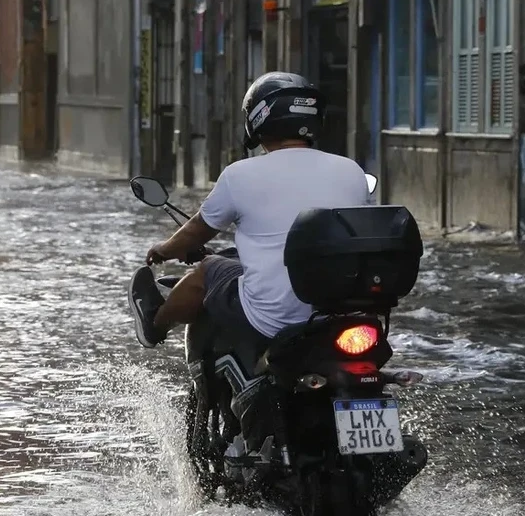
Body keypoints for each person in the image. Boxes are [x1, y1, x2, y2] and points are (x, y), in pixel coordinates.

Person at [129, 72, 372, 348]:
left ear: (258, 118)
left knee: (208, 269)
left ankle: (155, 325)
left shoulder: (240, 175)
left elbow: (197, 230)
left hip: (271, 319)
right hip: (340, 313)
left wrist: (164, 249)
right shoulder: (351, 171)